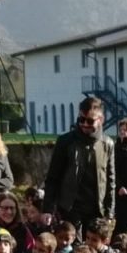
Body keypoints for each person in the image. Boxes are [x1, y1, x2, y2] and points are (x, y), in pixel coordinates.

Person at [44, 96, 116, 234]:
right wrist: (48, 209)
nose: (84, 124)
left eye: (90, 121)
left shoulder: (108, 144)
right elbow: (53, 177)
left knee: (93, 250)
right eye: (81, 119)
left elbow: (111, 181)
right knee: (74, 250)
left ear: (100, 120)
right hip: (70, 207)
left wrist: (110, 213)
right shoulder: (66, 142)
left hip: (96, 209)